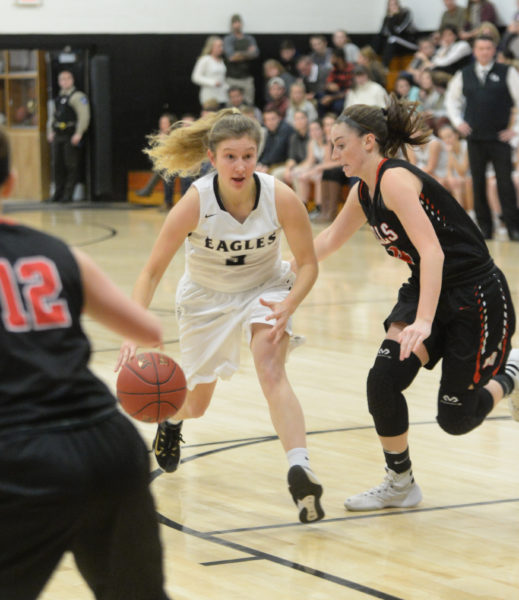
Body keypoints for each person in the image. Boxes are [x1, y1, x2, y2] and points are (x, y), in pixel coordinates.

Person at [307, 96, 519, 512]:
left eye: (340, 144)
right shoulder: (363, 190)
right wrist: (277, 268)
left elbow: (434, 252)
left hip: (474, 293)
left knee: (455, 418)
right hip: (427, 287)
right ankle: (400, 482)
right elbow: (329, 240)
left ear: (368, 142)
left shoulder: (395, 180)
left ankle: (513, 372)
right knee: (382, 381)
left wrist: (422, 322)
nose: (334, 154)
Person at [115, 108, 325, 524]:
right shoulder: (195, 203)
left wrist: (289, 303)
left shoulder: (279, 196)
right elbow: (151, 271)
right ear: (212, 158)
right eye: (231, 156)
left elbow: (309, 263)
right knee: (196, 404)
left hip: (266, 289)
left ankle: (300, 468)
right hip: (205, 301)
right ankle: (173, 419)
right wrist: (131, 330)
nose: (241, 165)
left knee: (271, 368)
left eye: (248, 155)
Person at [0, 126, 171, 599]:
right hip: (108, 444)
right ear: (11, 182)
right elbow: (149, 332)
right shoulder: (58, 253)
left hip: (24, 457)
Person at [445, 35, 519, 240]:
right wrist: (458, 122)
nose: (484, 51)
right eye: (480, 48)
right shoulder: (464, 74)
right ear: (475, 51)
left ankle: (514, 227)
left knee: (505, 183)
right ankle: (485, 227)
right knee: (477, 183)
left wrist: (516, 130)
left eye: (488, 48)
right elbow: (451, 101)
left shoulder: (508, 72)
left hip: (500, 138)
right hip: (475, 138)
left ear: (494, 50)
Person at [46, 68, 90, 203]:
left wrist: (79, 133)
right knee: (57, 165)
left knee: (71, 165)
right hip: (58, 134)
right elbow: (52, 117)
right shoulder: (58, 98)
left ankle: (68, 194)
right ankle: (57, 193)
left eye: (67, 79)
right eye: (62, 79)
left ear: (72, 80)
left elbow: (84, 116)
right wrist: (50, 131)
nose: (64, 82)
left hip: (70, 134)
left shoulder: (78, 97)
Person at [223, 14, 259, 105]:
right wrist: (247, 53)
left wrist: (239, 53)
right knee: (231, 106)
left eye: (238, 22)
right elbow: (231, 57)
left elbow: (255, 53)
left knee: (249, 104)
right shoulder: (228, 39)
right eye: (235, 22)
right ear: (231, 25)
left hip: (246, 77)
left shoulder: (249, 38)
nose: (237, 25)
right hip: (232, 78)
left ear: (242, 24)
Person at [372, 0, 418, 68]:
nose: (393, 7)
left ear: (398, 5)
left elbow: (397, 32)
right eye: (391, 5)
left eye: (395, 4)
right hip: (394, 44)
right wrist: (390, 17)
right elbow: (382, 33)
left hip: (408, 41)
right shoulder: (387, 17)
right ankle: (370, 61)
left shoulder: (405, 13)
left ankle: (384, 67)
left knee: (392, 39)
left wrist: (393, 17)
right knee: (377, 38)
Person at [191, 35, 228, 109]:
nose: (221, 48)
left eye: (222, 46)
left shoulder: (221, 61)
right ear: (211, 47)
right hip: (209, 97)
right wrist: (213, 82)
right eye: (219, 46)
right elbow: (195, 77)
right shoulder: (205, 59)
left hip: (222, 96)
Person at [256, 108, 294, 173]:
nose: (270, 122)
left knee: (263, 173)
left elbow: (278, 152)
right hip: (274, 162)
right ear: (265, 122)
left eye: (273, 119)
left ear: (279, 118)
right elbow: (266, 150)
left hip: (286, 162)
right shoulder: (270, 131)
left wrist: (265, 164)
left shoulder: (285, 129)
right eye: (267, 120)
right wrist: (261, 163)